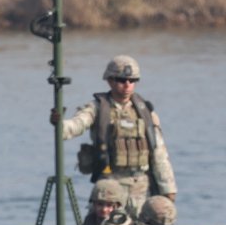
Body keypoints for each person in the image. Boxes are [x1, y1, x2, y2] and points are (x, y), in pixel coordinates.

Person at [53, 54, 177, 214]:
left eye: (132, 81)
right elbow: (76, 125)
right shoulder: (98, 108)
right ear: (110, 80)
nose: (127, 85)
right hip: (109, 185)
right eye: (121, 80)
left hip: (141, 186)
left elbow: (159, 151)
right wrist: (59, 124)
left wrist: (168, 188)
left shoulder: (145, 111)